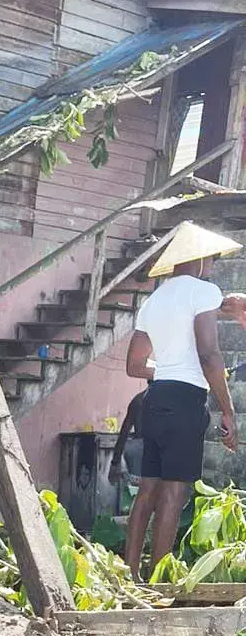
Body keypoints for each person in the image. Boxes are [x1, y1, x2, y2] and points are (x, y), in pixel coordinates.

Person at [125, 222, 246, 580]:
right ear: (200, 259)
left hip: (157, 397)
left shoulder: (155, 299)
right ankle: (159, 578)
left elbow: (134, 365)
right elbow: (210, 355)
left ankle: (130, 573)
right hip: (187, 400)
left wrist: (170, 368)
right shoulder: (203, 291)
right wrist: (229, 411)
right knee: (175, 492)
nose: (212, 265)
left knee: (147, 489)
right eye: (210, 258)